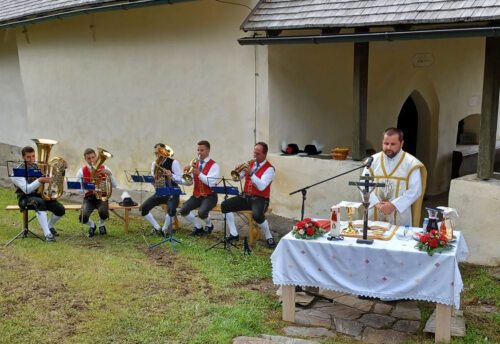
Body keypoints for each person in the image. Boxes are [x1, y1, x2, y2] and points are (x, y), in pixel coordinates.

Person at [362, 128, 424, 226]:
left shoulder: (411, 163)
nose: (388, 147)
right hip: (375, 213)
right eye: (386, 143)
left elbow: (415, 190)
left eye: (393, 144)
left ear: (402, 143)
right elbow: (364, 185)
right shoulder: (373, 161)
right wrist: (377, 204)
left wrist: (393, 205)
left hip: (399, 215)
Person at [221, 142, 276, 248]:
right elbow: (237, 178)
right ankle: (234, 234)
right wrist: (237, 171)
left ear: (265, 154)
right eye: (254, 152)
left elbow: (262, 186)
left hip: (260, 198)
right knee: (225, 205)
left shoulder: (270, 169)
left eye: (258, 153)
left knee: (257, 215)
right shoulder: (250, 164)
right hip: (245, 196)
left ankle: (269, 236)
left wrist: (251, 173)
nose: (255, 155)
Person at [10, 146, 66, 241]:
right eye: (28, 157)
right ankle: (47, 235)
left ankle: (48, 226)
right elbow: (27, 190)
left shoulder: (38, 167)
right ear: (23, 157)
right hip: (24, 198)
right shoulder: (17, 172)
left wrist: (61, 169)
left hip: (39, 195)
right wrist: (40, 180)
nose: (32, 159)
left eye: (33, 156)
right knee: (40, 202)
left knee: (60, 209)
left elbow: (50, 177)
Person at [142, 143, 185, 236]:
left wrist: (172, 175)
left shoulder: (174, 162)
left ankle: (164, 230)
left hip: (172, 192)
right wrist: (153, 182)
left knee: (172, 210)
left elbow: (182, 179)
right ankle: (158, 228)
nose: (157, 155)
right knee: (143, 208)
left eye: (159, 152)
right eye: (155, 153)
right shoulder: (154, 164)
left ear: (165, 151)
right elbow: (154, 178)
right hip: (160, 192)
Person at [179, 140, 220, 236]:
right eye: (198, 150)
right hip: (197, 195)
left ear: (208, 151)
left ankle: (209, 225)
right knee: (183, 210)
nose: (199, 152)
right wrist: (185, 175)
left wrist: (199, 173)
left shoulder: (214, 165)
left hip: (210, 195)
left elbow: (211, 183)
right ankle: (198, 227)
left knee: (201, 212)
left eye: (202, 150)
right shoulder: (194, 164)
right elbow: (189, 183)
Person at [76, 148, 116, 237]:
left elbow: (115, 185)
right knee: (83, 217)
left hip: (102, 197)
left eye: (93, 157)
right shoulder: (81, 171)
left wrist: (110, 175)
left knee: (104, 213)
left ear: (96, 157)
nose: (91, 160)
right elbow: (78, 189)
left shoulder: (105, 168)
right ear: (85, 159)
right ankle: (92, 225)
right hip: (89, 198)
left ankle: (101, 224)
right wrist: (89, 188)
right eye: (88, 158)